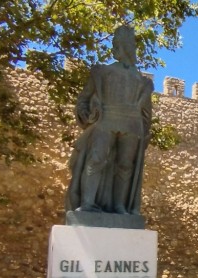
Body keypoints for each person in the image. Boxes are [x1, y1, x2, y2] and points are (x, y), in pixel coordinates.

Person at [66, 25, 153, 215]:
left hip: (131, 124)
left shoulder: (142, 81)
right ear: (119, 46)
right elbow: (83, 99)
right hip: (106, 119)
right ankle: (87, 203)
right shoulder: (102, 72)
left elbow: (146, 113)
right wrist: (88, 115)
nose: (131, 47)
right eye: (128, 43)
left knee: (124, 165)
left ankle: (119, 206)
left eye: (132, 43)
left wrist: (146, 132)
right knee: (96, 159)